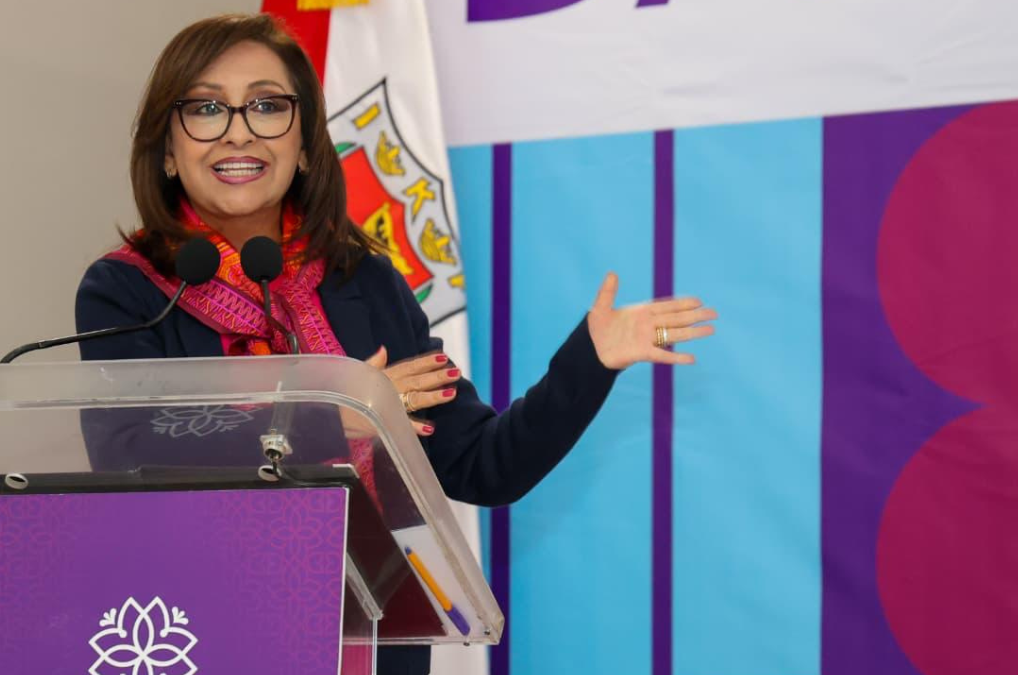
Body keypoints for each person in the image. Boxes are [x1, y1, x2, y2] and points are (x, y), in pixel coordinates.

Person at [75, 13, 716, 675]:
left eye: (267, 106)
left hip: (375, 643)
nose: (239, 131)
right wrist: (338, 417)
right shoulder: (128, 290)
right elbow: (131, 454)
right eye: (207, 108)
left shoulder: (364, 282)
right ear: (168, 151)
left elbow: (482, 465)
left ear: (304, 146)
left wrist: (590, 359)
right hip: (199, 634)